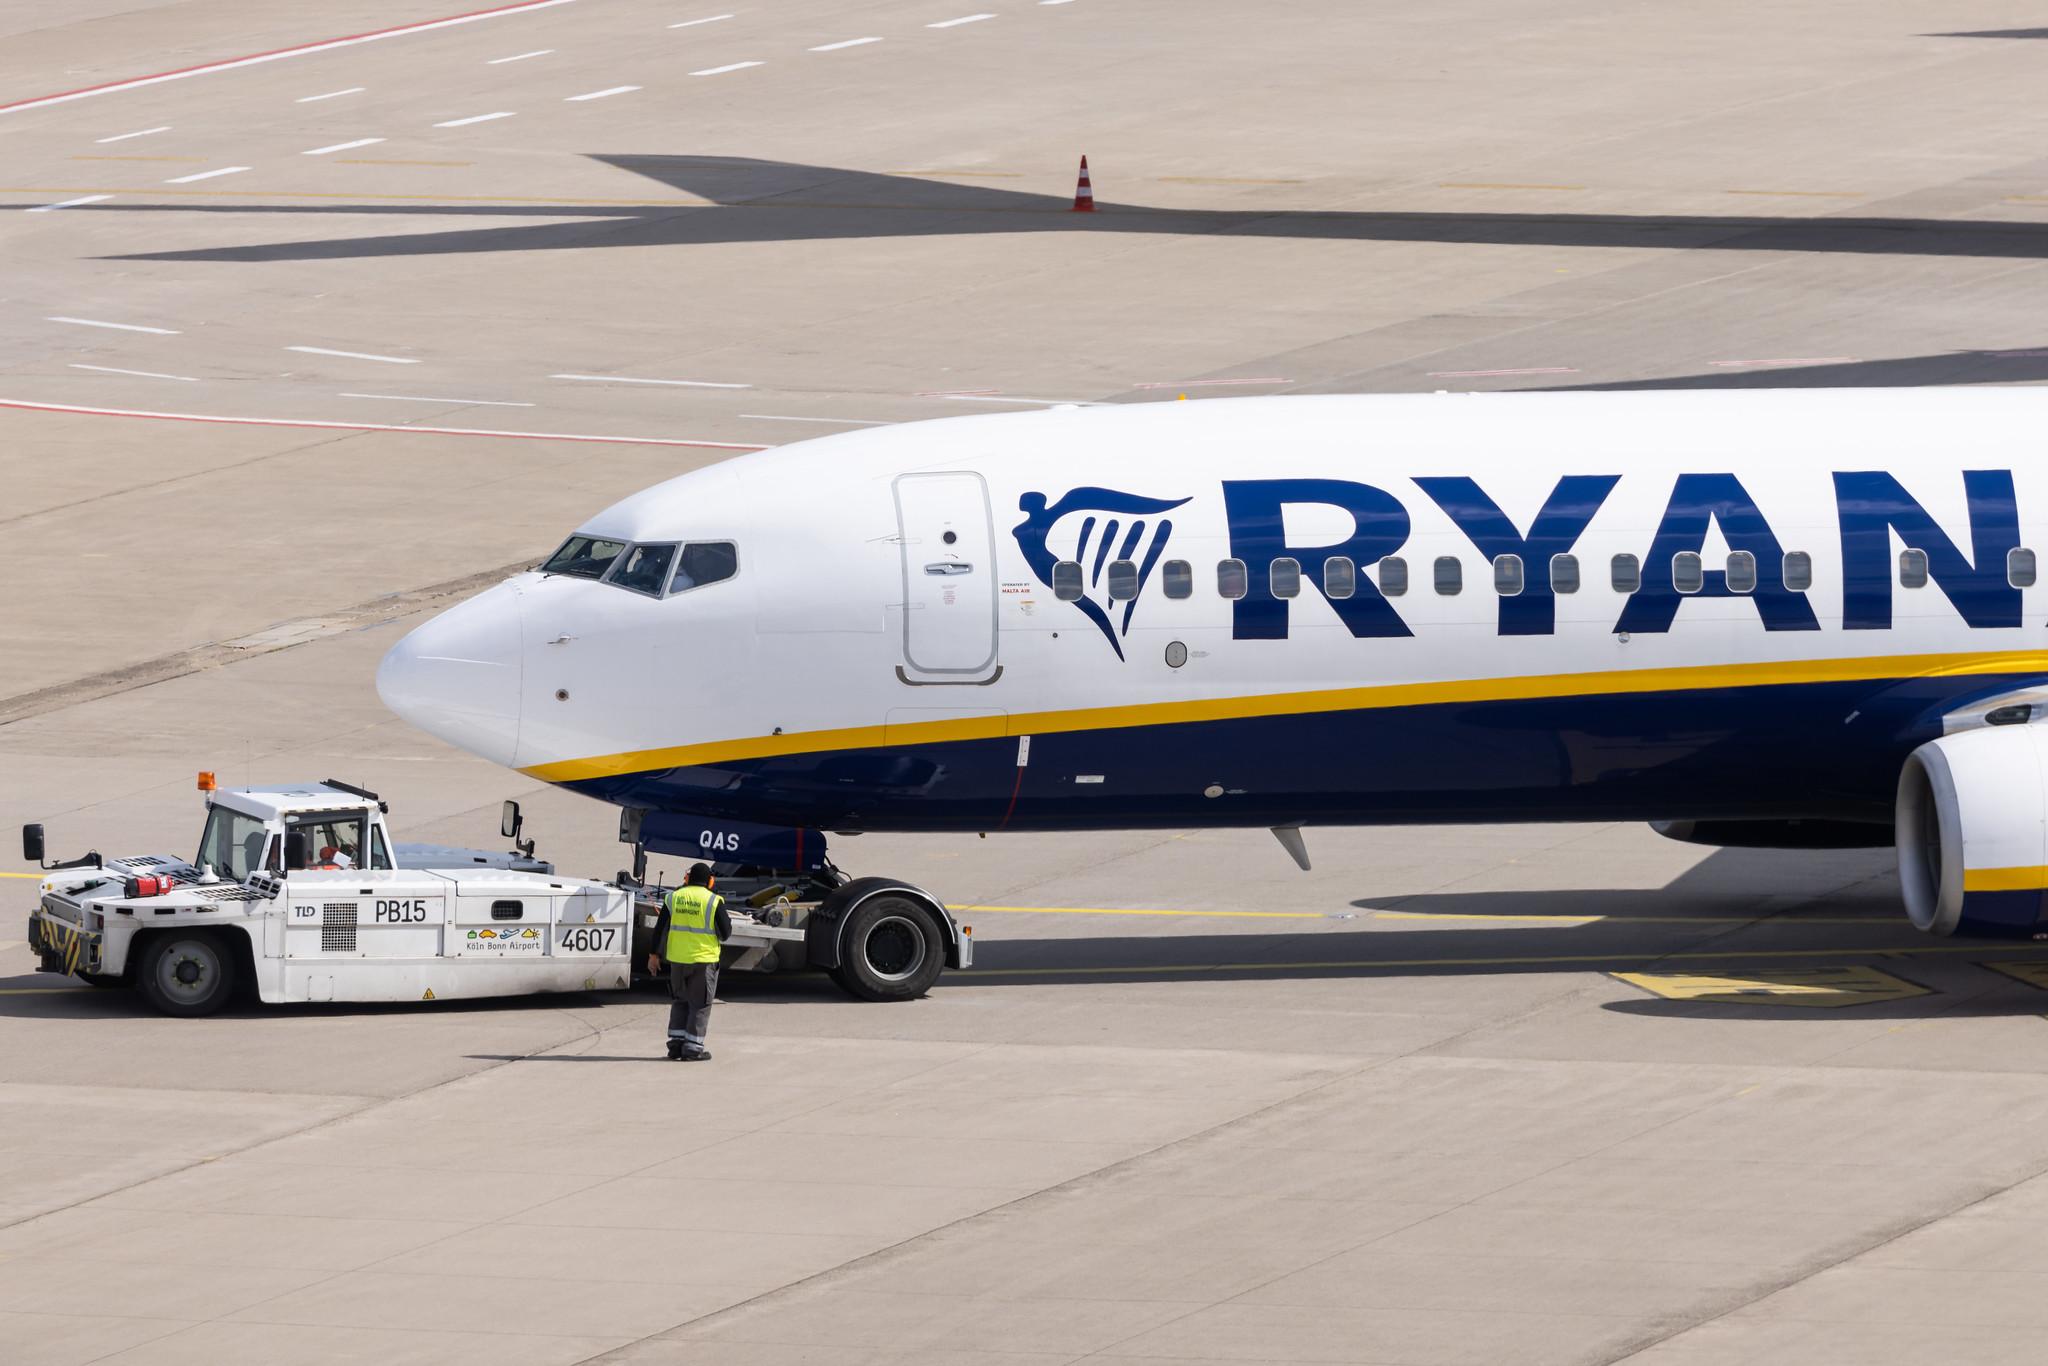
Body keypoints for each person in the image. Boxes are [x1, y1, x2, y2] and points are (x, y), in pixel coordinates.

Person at [647, 863, 731, 1061]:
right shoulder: (713, 901)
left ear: (687, 878)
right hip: (703, 961)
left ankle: (676, 1045)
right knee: (700, 1004)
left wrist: (654, 955)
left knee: (680, 1001)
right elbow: (726, 933)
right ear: (710, 881)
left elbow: (660, 928)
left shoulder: (673, 898)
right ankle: (693, 1047)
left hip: (677, 960)